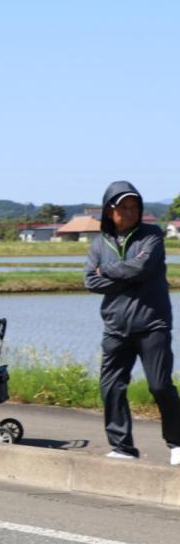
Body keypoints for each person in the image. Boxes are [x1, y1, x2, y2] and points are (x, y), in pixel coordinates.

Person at [83, 181, 180, 463]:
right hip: (115, 327)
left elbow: (143, 266)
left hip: (153, 324)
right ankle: (123, 447)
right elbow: (90, 280)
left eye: (134, 206)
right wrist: (127, 278)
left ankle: (177, 443)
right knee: (111, 387)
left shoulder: (152, 235)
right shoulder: (99, 243)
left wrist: (110, 271)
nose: (129, 212)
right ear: (109, 211)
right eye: (122, 207)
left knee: (160, 385)